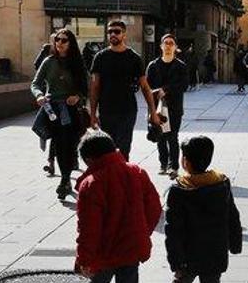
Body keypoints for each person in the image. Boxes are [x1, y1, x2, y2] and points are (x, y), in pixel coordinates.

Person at [74, 129, 162, 283]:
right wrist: (143, 232)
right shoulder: (137, 172)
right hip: (131, 251)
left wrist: (84, 260)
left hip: (104, 254)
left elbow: (87, 229)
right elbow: (154, 207)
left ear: (89, 159)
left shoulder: (91, 184)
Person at [163, 136, 242, 283]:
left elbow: (173, 229)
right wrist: (235, 243)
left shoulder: (179, 190)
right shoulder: (221, 182)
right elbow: (232, 215)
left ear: (185, 161)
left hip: (188, 254)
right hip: (215, 251)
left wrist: (175, 259)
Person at [89, 20, 160, 162]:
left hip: (127, 110)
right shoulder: (100, 57)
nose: (113, 34)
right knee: (107, 149)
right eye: (110, 32)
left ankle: (122, 178)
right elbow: (95, 87)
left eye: (116, 31)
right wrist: (92, 114)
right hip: (106, 110)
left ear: (124, 35)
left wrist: (153, 113)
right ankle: (110, 179)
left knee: (124, 149)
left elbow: (145, 87)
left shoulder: (134, 58)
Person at [31, 29, 89, 200]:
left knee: (70, 145)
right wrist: (39, 95)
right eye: (58, 40)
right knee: (58, 143)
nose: (60, 43)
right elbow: (35, 83)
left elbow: (85, 88)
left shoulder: (77, 63)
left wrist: (77, 96)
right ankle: (64, 180)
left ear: (70, 43)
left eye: (64, 40)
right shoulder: (49, 62)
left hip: (72, 110)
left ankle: (66, 177)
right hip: (53, 109)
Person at [145, 34, 189, 179]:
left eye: (171, 43)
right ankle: (163, 164)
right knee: (160, 136)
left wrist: (167, 89)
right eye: (166, 43)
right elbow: (146, 87)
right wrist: (157, 92)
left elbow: (184, 85)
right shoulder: (153, 66)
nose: (168, 45)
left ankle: (173, 167)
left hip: (174, 107)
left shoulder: (181, 66)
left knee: (172, 136)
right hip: (156, 107)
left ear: (175, 47)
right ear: (161, 46)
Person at [33, 38, 57, 176]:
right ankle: (51, 162)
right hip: (47, 99)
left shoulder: (71, 57)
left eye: (61, 40)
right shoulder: (47, 53)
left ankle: (72, 158)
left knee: (65, 135)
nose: (58, 43)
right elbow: (36, 65)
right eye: (55, 40)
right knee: (52, 131)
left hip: (67, 102)